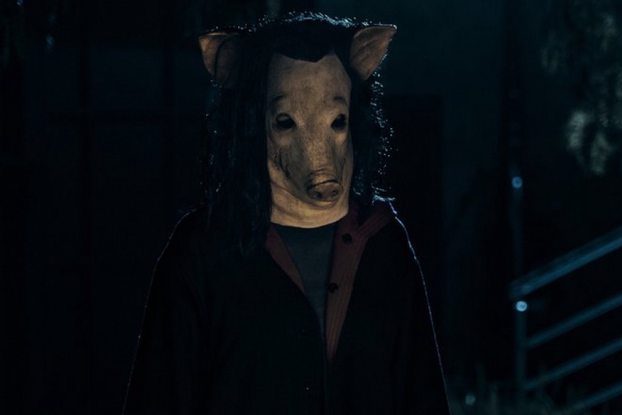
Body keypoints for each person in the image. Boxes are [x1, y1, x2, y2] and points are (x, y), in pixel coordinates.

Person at [122, 12, 450, 415]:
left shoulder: (383, 242)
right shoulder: (203, 251)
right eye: (285, 122)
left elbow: (422, 394)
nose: (318, 155)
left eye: (337, 122)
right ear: (252, 124)